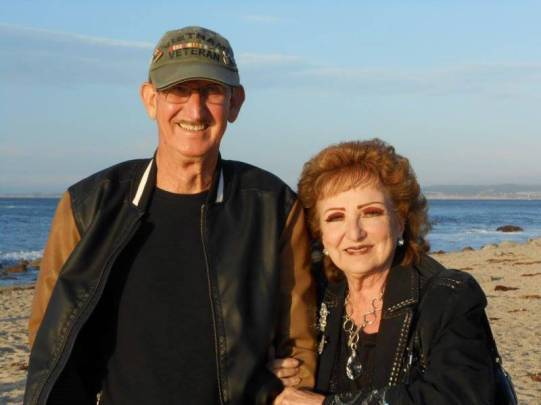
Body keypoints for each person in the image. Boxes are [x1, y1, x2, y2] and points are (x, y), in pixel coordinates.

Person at [24, 26, 316, 405]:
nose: (194, 110)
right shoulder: (89, 205)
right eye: (178, 90)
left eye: (211, 91)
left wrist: (286, 387)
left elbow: (299, 341)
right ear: (151, 100)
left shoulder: (273, 206)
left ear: (235, 103)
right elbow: (50, 336)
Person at [271, 139, 496, 404]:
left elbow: (460, 396)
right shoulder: (316, 297)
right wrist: (274, 374)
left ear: (399, 221)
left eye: (371, 213)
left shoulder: (449, 297)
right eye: (336, 217)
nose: (354, 233)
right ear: (320, 232)